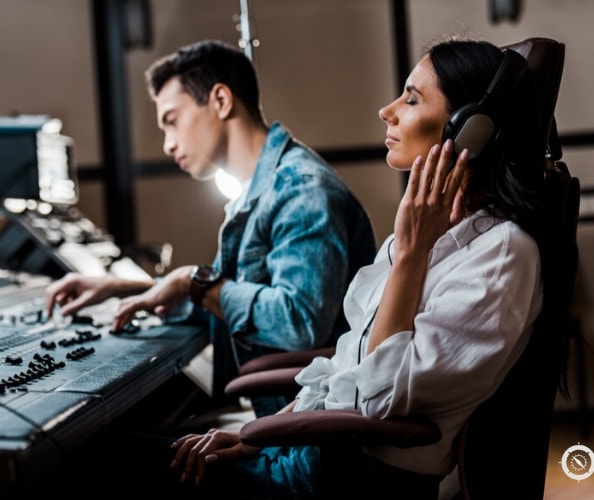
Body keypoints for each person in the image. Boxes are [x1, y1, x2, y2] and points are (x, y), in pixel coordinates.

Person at [142, 36, 554, 499]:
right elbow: (345, 366)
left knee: (92, 460)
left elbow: (375, 401)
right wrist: (259, 432)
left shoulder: (499, 254)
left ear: (469, 129)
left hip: (350, 480)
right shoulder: (418, 234)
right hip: (309, 453)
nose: (388, 110)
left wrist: (413, 255)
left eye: (412, 99)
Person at [43, 40, 377, 417]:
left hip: (304, 441)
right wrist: (125, 288)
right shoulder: (260, 189)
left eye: (172, 120)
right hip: (282, 422)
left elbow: (297, 322)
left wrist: (193, 282)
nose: (168, 145)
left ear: (220, 100)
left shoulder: (300, 189)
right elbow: (224, 300)